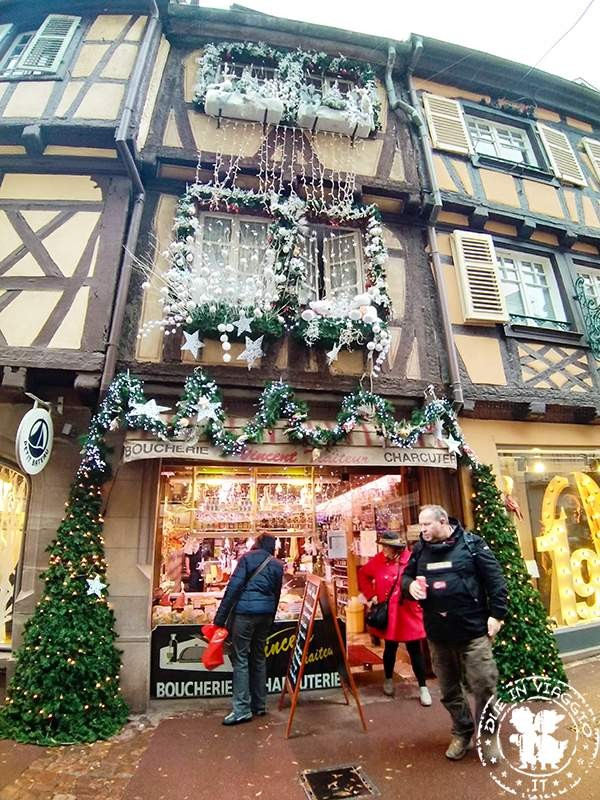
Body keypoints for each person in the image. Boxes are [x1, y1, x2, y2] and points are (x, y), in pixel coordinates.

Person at [402, 505, 508, 761]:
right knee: (449, 689)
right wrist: (410, 586)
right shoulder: (420, 550)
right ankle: (462, 732)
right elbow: (405, 577)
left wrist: (497, 615)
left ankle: (488, 735)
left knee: (483, 684)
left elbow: (496, 581)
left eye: (426, 524)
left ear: (442, 520)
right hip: (438, 634)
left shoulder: (472, 545)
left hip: (472, 630)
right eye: (420, 525)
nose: (422, 529)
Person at [213, 534, 283, 726]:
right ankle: (259, 705)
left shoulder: (246, 558)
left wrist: (220, 618)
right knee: (259, 656)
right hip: (265, 614)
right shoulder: (277, 565)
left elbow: (233, 588)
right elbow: (276, 594)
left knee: (241, 658)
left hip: (244, 614)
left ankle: (242, 709)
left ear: (257, 544)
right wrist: (271, 615)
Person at [358, 531, 431, 706]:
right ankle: (389, 679)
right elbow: (363, 574)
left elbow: (423, 580)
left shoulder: (412, 560)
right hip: (390, 613)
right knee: (390, 647)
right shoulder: (378, 560)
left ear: (396, 547)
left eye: (386, 546)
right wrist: (371, 595)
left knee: (415, 650)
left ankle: (423, 687)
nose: (383, 550)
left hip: (408, 612)